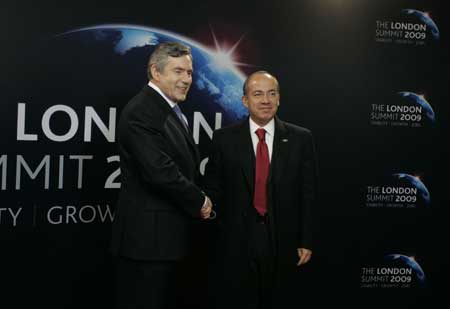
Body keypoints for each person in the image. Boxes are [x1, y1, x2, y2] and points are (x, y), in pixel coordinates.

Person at [204, 71, 318, 309]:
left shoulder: (301, 138)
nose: (265, 100)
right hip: (236, 242)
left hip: (282, 239)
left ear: (279, 99)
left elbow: (308, 194)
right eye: (258, 94)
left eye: (271, 93)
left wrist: (306, 240)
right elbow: (214, 189)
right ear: (245, 100)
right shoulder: (224, 139)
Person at [111, 42, 212, 309]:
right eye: (178, 71)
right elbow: (160, 172)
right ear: (156, 72)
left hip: (166, 241)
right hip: (148, 245)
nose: (186, 80)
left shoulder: (166, 109)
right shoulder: (142, 111)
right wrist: (200, 201)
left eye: (189, 73)